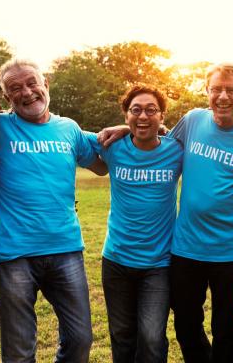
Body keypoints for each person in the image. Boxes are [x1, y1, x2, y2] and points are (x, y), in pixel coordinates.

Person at [99, 63, 233, 362]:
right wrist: (127, 127)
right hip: (184, 249)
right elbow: (163, 138)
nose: (223, 96)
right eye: (216, 89)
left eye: (231, 90)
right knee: (185, 326)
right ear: (206, 92)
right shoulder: (194, 120)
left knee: (226, 329)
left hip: (231, 251)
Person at [0, 58, 105, 362]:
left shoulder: (69, 129)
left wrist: (130, 126)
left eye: (32, 83)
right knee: (20, 350)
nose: (27, 92)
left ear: (45, 84)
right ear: (7, 97)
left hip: (65, 248)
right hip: (13, 254)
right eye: (15, 88)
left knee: (80, 339)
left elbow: (102, 163)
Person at [89, 85, 182, 363]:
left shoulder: (177, 151)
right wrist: (123, 129)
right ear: (126, 115)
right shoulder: (111, 146)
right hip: (116, 260)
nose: (143, 116)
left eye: (151, 110)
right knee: (122, 334)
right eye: (135, 110)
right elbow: (71, 140)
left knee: (152, 337)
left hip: (159, 264)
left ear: (162, 116)